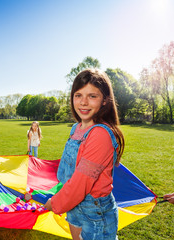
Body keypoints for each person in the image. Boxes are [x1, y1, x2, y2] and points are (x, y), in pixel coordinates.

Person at [44, 69, 125, 240]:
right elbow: (70, 169)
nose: (84, 102)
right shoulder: (76, 128)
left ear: (104, 101)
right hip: (74, 205)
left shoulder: (100, 134)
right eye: (78, 95)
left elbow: (82, 183)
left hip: (94, 212)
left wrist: (56, 202)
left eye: (92, 96)